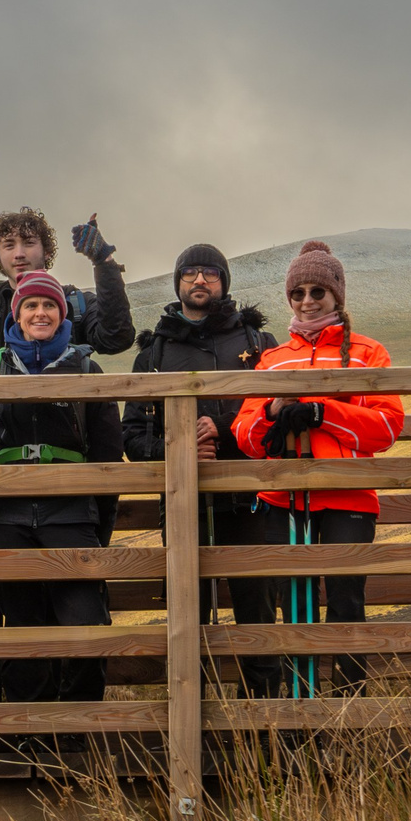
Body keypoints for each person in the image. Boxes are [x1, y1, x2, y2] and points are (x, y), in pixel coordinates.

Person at [0, 270, 122, 758]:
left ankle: (74, 727)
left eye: (50, 306)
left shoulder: (88, 372)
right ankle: (29, 729)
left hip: (72, 516)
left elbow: (109, 455)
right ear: (15, 315)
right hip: (5, 518)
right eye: (31, 307)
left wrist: (98, 524)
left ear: (62, 315)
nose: (40, 314)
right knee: (22, 628)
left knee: (88, 625)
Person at [230, 242, 404, 695]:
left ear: (337, 295)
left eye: (317, 292)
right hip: (282, 497)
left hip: (348, 496)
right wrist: (272, 411)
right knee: (295, 606)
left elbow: (387, 426)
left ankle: (349, 716)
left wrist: (322, 412)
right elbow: (245, 436)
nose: (307, 301)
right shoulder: (271, 359)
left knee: (347, 602)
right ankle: (299, 718)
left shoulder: (369, 352)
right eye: (298, 293)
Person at [121, 243, 282, 698]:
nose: (199, 281)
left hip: (252, 503)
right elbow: (132, 436)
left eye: (210, 273)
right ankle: (192, 724)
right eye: (190, 273)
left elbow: (273, 417)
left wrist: (227, 432)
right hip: (182, 504)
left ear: (223, 283)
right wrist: (177, 449)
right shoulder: (153, 350)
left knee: (260, 614)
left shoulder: (257, 343)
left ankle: (268, 728)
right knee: (187, 615)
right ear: (178, 283)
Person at [0, 206, 134, 363]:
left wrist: (103, 263)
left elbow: (115, 339)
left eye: (29, 243)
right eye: (9, 245)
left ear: (46, 251)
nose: (19, 254)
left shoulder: (76, 304)